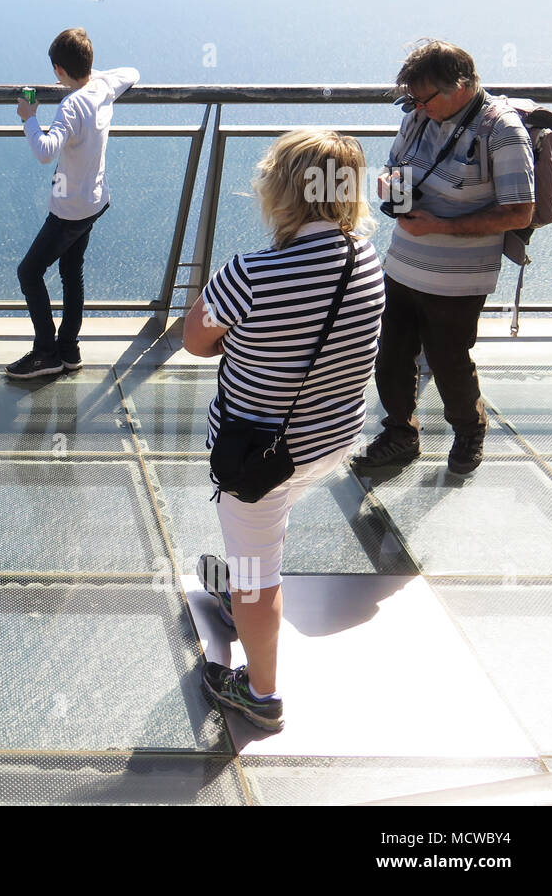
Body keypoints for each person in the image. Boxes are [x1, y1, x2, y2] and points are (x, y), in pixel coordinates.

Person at [183, 129, 385, 731]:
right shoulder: (365, 261)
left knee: (256, 574)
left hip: (258, 459)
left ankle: (260, 693)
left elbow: (195, 341)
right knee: (266, 534)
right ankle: (242, 592)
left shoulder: (249, 273)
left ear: (283, 191)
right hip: (331, 439)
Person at [353, 40, 535, 476]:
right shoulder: (419, 115)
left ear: (462, 85)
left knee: (448, 359)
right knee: (392, 354)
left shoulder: (502, 131)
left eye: (424, 97)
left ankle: (469, 429)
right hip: (402, 263)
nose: (416, 106)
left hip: (458, 277)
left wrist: (438, 224)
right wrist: (389, 186)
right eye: (411, 98)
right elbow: (393, 164)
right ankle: (400, 433)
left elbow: (519, 211)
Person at [7, 28, 139, 378]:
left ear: (58, 70)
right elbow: (132, 73)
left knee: (29, 272)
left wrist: (29, 117)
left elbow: (45, 151)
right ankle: (69, 348)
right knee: (71, 272)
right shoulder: (104, 87)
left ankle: (46, 352)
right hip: (95, 201)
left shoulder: (71, 105)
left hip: (69, 210)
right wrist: (96, 75)